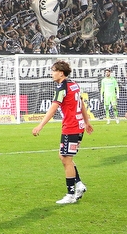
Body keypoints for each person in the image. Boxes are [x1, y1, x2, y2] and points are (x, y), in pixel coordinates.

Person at [32, 60, 93, 204]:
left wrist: (40, 126)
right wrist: (86, 121)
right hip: (78, 125)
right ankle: (78, 184)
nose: (52, 74)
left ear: (61, 73)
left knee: (66, 159)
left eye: (53, 71)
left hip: (71, 127)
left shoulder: (62, 87)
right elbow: (82, 104)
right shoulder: (74, 84)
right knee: (64, 157)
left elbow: (53, 108)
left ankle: (71, 194)